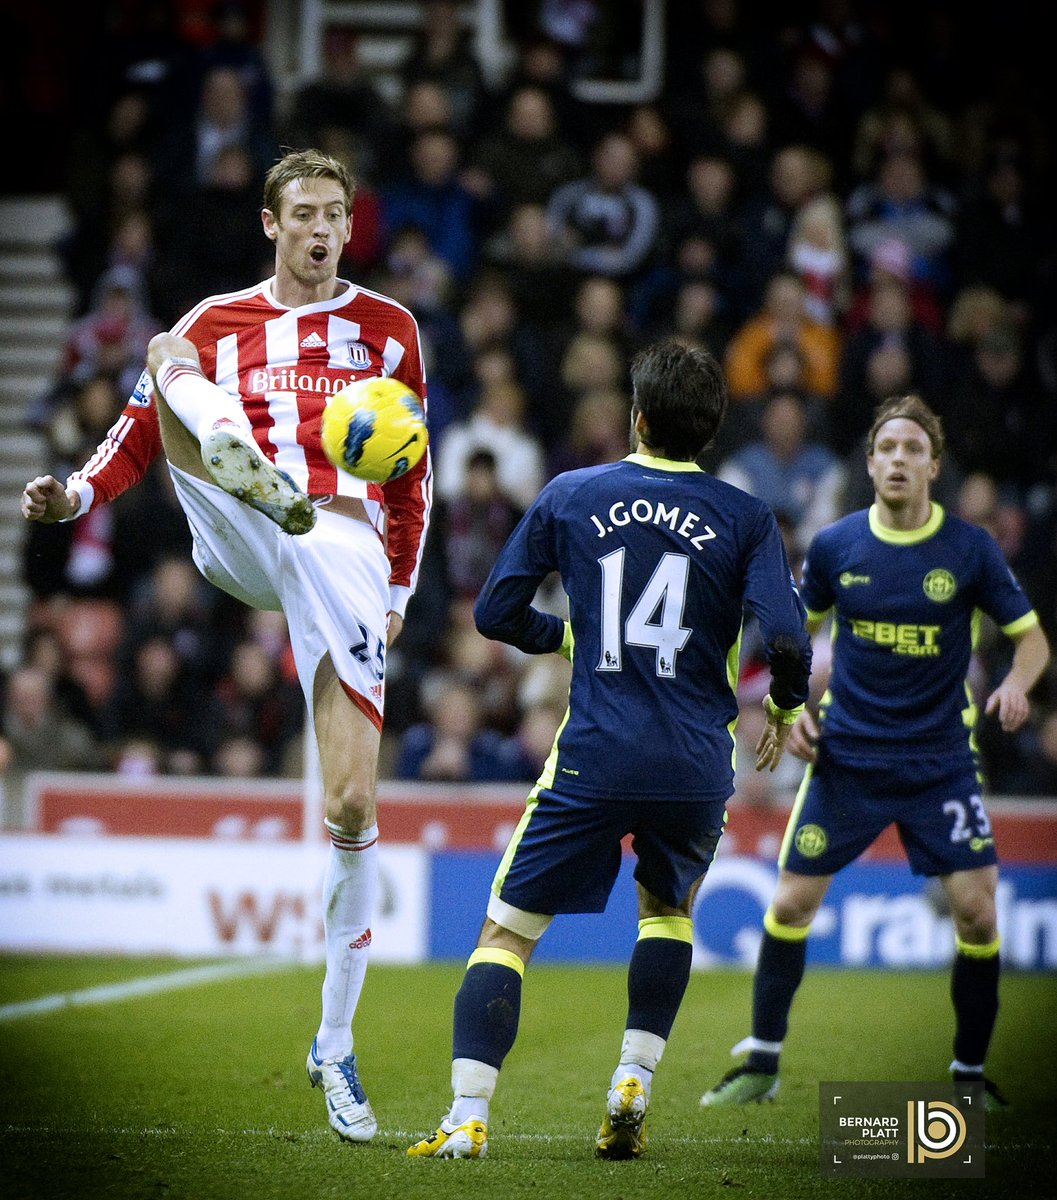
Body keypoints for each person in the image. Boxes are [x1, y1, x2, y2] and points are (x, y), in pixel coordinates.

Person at [20, 148, 432, 1144]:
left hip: (341, 548)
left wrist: (403, 594)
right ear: (271, 223)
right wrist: (77, 495)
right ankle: (256, 473)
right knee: (168, 357)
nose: (322, 228)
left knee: (349, 804)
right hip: (241, 519)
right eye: (304, 213)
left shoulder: (390, 329)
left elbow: (413, 473)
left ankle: (333, 1044)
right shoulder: (220, 321)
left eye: (336, 212)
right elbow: (134, 429)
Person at [406, 340, 812, 1160]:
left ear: (635, 416)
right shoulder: (742, 517)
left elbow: (492, 612)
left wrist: (568, 637)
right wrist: (784, 702)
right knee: (666, 913)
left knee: (506, 935)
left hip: (595, 753)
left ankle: (466, 1118)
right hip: (697, 764)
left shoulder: (573, 494)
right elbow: (790, 633)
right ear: (711, 429)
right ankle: (632, 1079)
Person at [699, 394, 1049, 1113]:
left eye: (911, 449)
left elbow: (1032, 639)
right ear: (868, 462)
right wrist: (791, 708)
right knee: (791, 903)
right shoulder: (836, 546)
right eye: (885, 448)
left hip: (938, 762)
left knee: (978, 916)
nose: (897, 460)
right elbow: (797, 637)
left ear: (932, 465)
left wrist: (1017, 685)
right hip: (847, 758)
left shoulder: (969, 550)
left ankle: (967, 1077)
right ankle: (760, 1064)